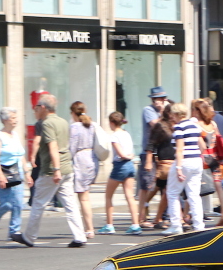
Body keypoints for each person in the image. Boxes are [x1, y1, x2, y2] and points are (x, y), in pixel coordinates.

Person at [15, 94, 86, 247]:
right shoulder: (63, 122)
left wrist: (56, 169)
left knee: (38, 203)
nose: (36, 111)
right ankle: (80, 236)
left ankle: (29, 237)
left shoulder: (47, 123)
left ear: (43, 108)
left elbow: (53, 146)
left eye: (36, 108)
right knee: (71, 204)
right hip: (67, 168)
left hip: (51, 170)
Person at [0, 107, 28, 241]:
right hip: (3, 171)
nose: (15, 121)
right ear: (5, 120)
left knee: (18, 203)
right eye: (13, 118)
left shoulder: (15, 135)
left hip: (17, 172)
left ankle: (14, 231)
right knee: (6, 204)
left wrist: (27, 173)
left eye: (16, 118)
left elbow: (20, 155)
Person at [166, 102, 206, 234]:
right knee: (194, 195)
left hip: (184, 161)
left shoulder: (179, 127)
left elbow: (179, 149)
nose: (171, 116)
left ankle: (176, 225)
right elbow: (203, 146)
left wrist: (178, 167)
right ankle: (199, 225)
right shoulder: (195, 126)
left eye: (172, 113)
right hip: (196, 161)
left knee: (172, 193)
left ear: (177, 114)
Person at [100, 111, 143, 235]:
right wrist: (130, 157)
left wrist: (126, 156)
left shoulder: (114, 136)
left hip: (120, 166)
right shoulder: (126, 134)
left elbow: (120, 154)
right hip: (130, 166)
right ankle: (135, 225)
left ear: (112, 123)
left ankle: (109, 225)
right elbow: (131, 152)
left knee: (108, 195)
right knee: (129, 196)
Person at [192, 98, 223, 227]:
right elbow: (219, 139)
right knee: (219, 186)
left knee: (194, 186)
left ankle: (186, 215)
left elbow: (201, 145)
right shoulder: (213, 124)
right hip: (214, 158)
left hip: (202, 159)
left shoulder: (197, 125)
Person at [69, 101, 101, 238]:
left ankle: (89, 228)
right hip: (92, 158)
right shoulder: (91, 125)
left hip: (81, 159)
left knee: (83, 198)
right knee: (86, 196)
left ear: (73, 113)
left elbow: (72, 147)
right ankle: (89, 228)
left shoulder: (75, 127)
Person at [137, 88, 169, 224]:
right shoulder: (148, 110)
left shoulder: (166, 111)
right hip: (148, 152)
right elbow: (157, 125)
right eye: (157, 99)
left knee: (163, 185)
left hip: (162, 153)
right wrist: (163, 112)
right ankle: (141, 217)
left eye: (162, 99)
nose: (160, 102)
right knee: (146, 185)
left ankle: (161, 216)